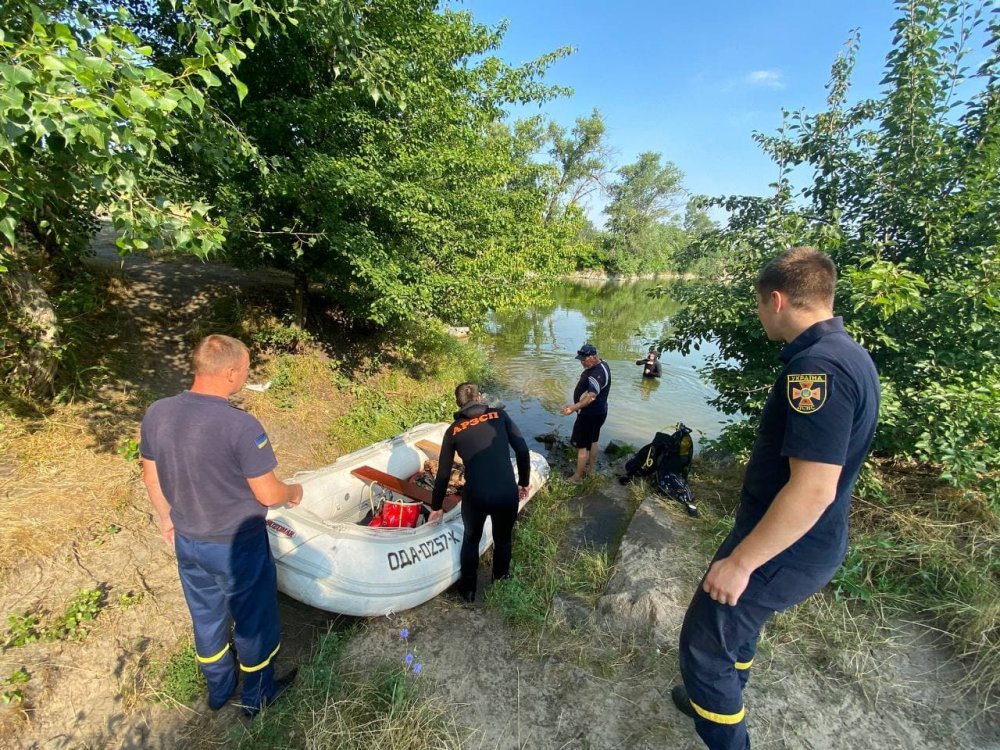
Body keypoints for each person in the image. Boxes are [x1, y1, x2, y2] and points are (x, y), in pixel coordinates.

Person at [671, 247, 880, 750]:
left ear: (778, 300)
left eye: (760, 304)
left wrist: (742, 561)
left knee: (703, 646)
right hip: (794, 538)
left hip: (786, 547)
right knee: (737, 629)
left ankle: (721, 716)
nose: (760, 314)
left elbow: (813, 488)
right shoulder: (850, 353)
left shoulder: (818, 370)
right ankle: (727, 691)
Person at [140, 334, 303, 719]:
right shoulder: (240, 426)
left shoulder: (157, 413)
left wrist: (166, 517)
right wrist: (292, 492)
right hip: (237, 545)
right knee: (253, 618)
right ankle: (257, 695)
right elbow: (267, 493)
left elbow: (151, 475)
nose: (246, 377)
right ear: (230, 372)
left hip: (189, 539)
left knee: (207, 617)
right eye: (246, 371)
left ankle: (218, 690)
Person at [427, 383, 531, 603]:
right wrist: (523, 482)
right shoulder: (500, 415)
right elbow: (522, 450)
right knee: (503, 540)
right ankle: (500, 579)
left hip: (476, 495)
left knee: (471, 539)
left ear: (459, 403)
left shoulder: (453, 430)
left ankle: (469, 590)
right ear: (480, 397)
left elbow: (443, 474)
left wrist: (436, 507)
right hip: (505, 491)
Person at [561, 343, 612, 483]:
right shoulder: (603, 364)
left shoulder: (596, 374)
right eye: (581, 359)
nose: (582, 362)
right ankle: (591, 470)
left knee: (582, 446)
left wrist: (573, 407)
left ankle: (577, 477)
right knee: (593, 441)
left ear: (594, 356)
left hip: (589, 415)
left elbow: (591, 396)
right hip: (600, 412)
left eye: (584, 359)